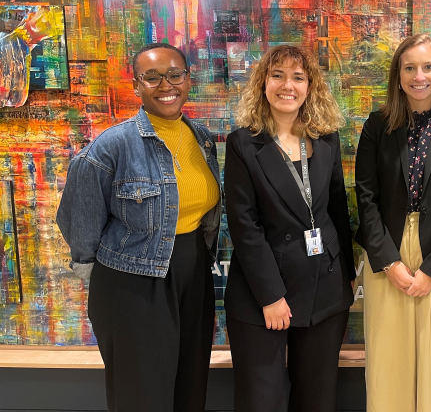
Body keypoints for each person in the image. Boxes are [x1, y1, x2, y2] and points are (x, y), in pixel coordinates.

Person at [56, 42, 222, 412]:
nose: (166, 85)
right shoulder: (112, 146)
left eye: (174, 74)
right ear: (137, 86)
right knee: (141, 396)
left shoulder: (203, 139)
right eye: (152, 77)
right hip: (131, 283)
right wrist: (91, 269)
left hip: (193, 274)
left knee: (189, 385)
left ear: (187, 79)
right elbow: (77, 217)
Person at [224, 44, 355, 412]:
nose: (288, 85)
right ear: (263, 83)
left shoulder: (326, 139)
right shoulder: (243, 144)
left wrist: (347, 272)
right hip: (262, 293)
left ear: (310, 86)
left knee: (317, 397)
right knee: (260, 399)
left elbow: (336, 210)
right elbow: (244, 225)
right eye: (277, 75)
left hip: (324, 285)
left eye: (298, 77)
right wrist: (270, 296)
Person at [355, 33, 431, 412]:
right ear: (397, 75)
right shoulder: (376, 126)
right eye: (409, 68)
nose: (418, 76)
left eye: (428, 67)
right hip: (387, 253)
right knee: (389, 361)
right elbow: (366, 197)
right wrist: (389, 262)